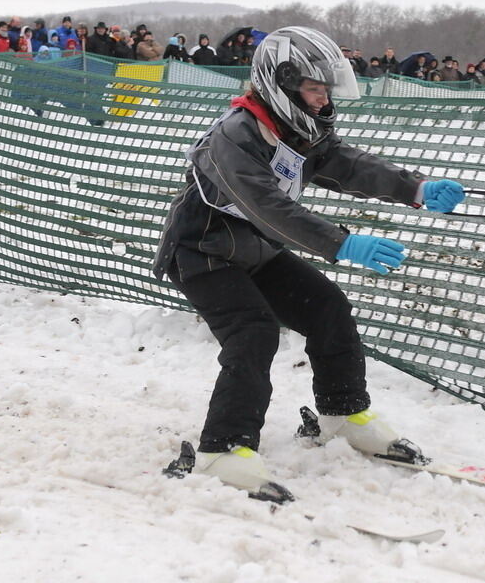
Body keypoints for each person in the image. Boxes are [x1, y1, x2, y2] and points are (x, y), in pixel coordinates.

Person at [152, 26, 466, 495]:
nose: (323, 100)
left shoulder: (299, 130)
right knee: (253, 331)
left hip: (255, 249)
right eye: (315, 89)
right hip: (203, 252)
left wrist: (416, 188)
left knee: (328, 308)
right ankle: (224, 448)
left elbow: (349, 163)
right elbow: (269, 207)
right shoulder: (234, 137)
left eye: (326, 90)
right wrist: (341, 243)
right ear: (281, 83)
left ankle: (342, 414)